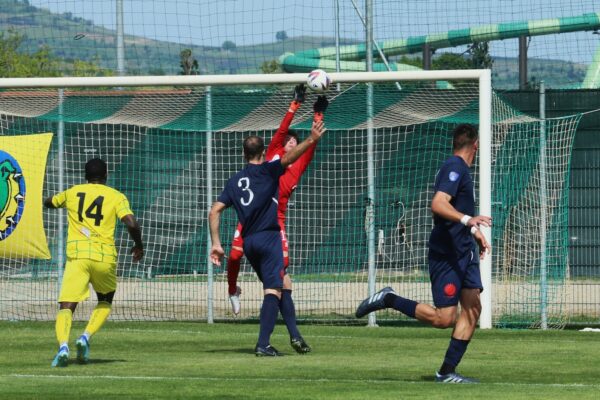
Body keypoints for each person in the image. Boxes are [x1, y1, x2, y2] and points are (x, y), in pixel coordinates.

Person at [355, 124, 492, 383]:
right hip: (447, 254)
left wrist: (475, 233)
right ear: (476, 144)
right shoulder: (455, 167)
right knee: (444, 318)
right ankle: (389, 299)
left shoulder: (462, 170)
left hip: (464, 250)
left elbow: (460, 211)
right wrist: (467, 220)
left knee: (473, 308)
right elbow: (438, 203)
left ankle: (447, 372)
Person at [209, 118, 326, 356]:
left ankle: (295, 335)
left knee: (283, 283)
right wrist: (312, 139)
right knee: (273, 289)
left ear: (244, 154)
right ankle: (263, 344)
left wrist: (216, 244)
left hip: (249, 241)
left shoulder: (235, 181)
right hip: (269, 236)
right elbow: (290, 158)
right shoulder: (269, 170)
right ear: (264, 152)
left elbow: (214, 210)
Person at [44, 158, 143, 367]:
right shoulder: (116, 196)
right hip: (104, 257)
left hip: (77, 256)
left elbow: (50, 202)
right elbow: (132, 222)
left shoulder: (72, 192)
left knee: (66, 305)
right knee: (105, 299)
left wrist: (47, 201)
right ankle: (85, 337)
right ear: (106, 175)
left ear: (85, 176)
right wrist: (138, 245)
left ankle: (63, 346)